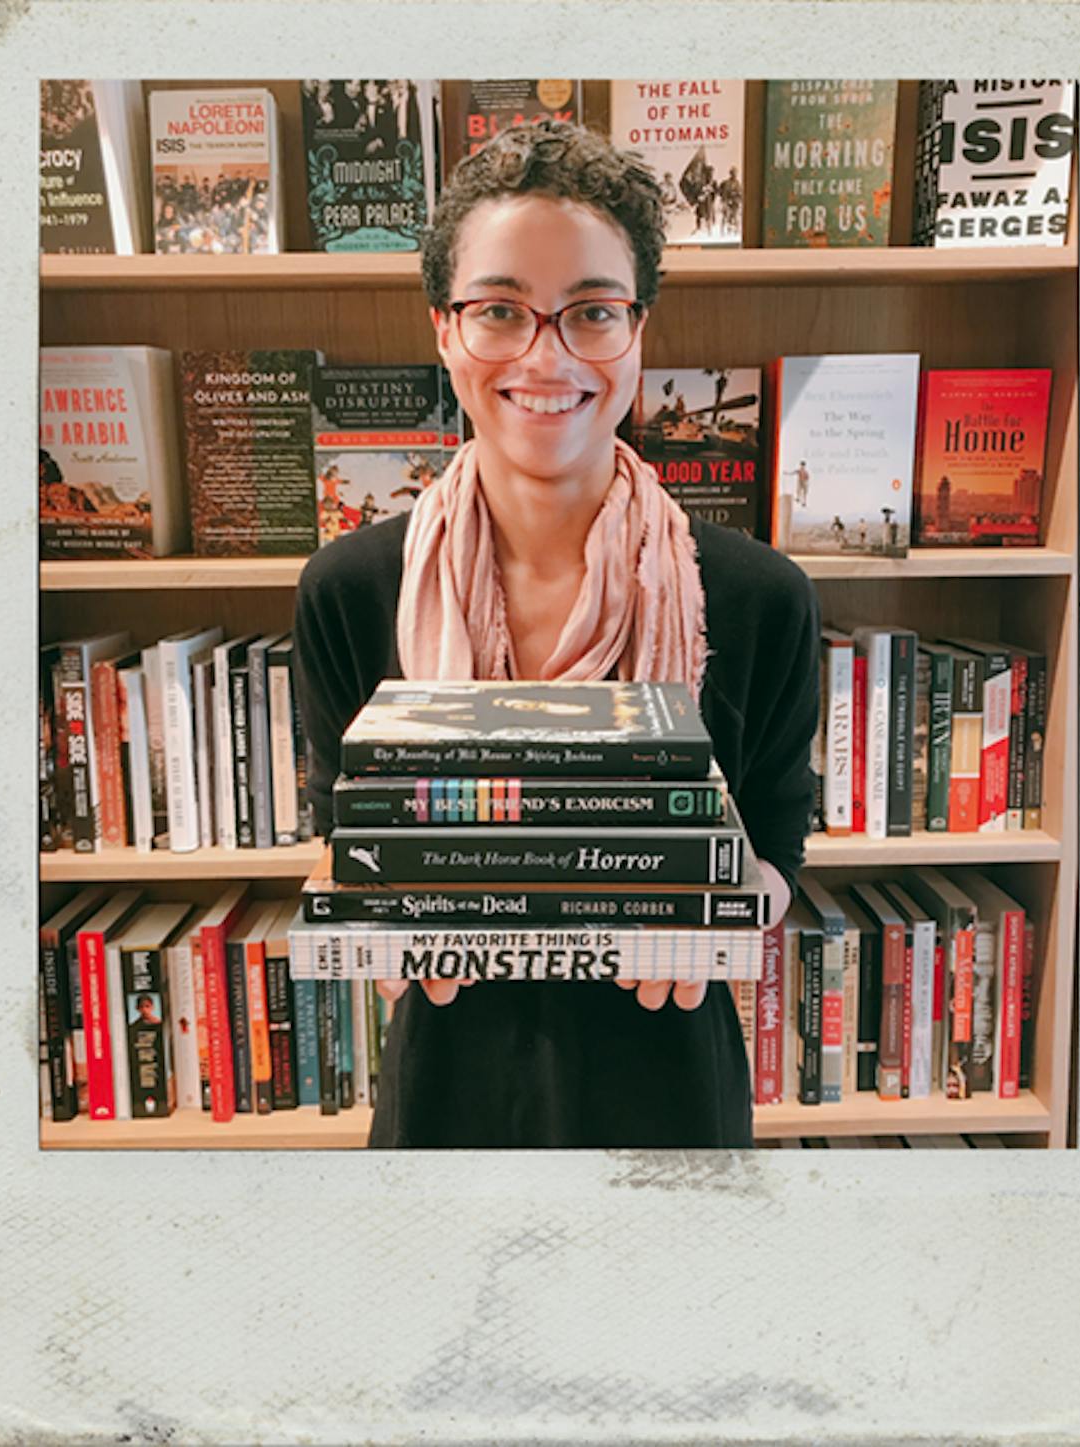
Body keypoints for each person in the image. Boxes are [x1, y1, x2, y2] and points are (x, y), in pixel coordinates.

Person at [293, 120, 820, 1149]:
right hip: (446, 1114)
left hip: (673, 1118)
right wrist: (369, 912)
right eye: (499, 310)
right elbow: (339, 837)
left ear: (638, 332)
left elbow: (776, 849)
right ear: (446, 331)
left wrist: (722, 904)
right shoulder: (349, 589)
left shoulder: (761, 598)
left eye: (590, 313)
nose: (546, 356)